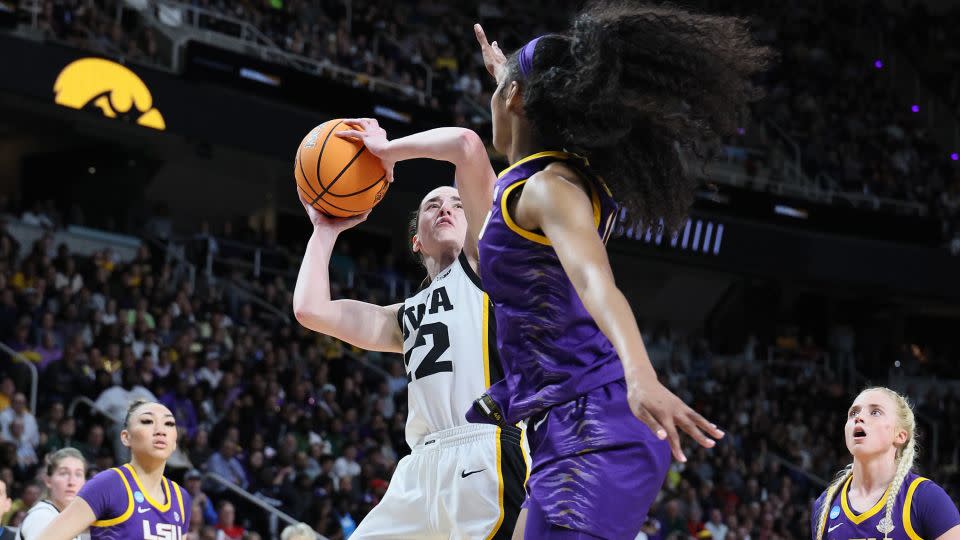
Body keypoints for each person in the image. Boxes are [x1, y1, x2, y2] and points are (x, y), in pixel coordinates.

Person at [380, 4, 766, 537]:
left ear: (516, 100)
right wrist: (507, 75)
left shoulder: (546, 188)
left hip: (596, 423)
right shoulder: (550, 178)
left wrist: (641, 375)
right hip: (559, 424)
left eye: (501, 92)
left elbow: (596, 284)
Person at [294, 125, 525, 538]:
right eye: (432, 205)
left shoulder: (488, 263)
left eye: (456, 202)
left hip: (485, 448)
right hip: (419, 469)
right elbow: (311, 309)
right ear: (416, 241)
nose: (445, 208)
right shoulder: (404, 316)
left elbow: (467, 145)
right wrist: (325, 230)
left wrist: (387, 151)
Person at [811, 387, 960, 540]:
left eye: (875, 412)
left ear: (900, 436)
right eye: (853, 413)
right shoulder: (825, 504)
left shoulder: (926, 497)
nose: (859, 417)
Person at [36, 400, 191, 539]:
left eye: (169, 424)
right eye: (147, 421)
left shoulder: (181, 498)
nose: (160, 430)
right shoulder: (108, 485)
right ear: (126, 437)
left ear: (174, 442)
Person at [16, 448, 87, 540]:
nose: (71, 482)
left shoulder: (66, 518)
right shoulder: (42, 516)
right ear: (48, 480)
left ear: (85, 482)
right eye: (64, 473)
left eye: (78, 474)